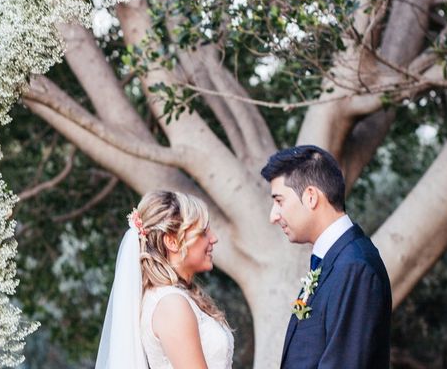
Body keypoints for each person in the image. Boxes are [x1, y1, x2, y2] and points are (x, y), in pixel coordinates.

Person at [261, 145, 392, 368]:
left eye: (279, 201)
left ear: (311, 197)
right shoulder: (336, 260)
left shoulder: (354, 266)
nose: (274, 216)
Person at [95, 190, 233, 369]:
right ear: (172, 242)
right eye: (203, 233)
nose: (214, 238)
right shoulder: (171, 304)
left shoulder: (174, 298)